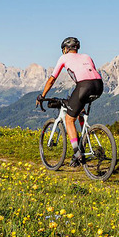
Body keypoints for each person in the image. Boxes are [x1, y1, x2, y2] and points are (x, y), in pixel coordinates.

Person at [36, 37, 103, 166]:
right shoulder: (87, 56)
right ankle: (84, 139)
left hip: (84, 86)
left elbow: (52, 79)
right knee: (78, 111)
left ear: (66, 49)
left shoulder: (63, 58)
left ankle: (77, 153)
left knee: (69, 119)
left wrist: (42, 95)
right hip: (99, 85)